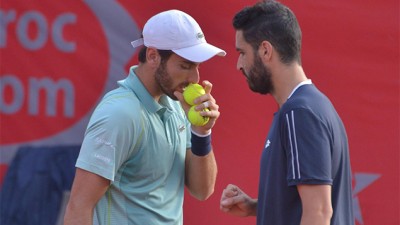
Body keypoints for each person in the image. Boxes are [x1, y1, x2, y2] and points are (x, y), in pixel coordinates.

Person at [64, 9, 226, 225]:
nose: (194, 78)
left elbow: (202, 190)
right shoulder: (119, 114)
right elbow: (78, 208)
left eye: (196, 66)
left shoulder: (178, 105)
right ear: (152, 56)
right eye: (185, 66)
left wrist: (202, 132)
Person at [219, 1, 354, 225]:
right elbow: (305, 204)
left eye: (242, 53)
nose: (238, 65)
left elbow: (319, 212)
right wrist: (256, 206)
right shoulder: (308, 107)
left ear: (265, 50)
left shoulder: (299, 112)